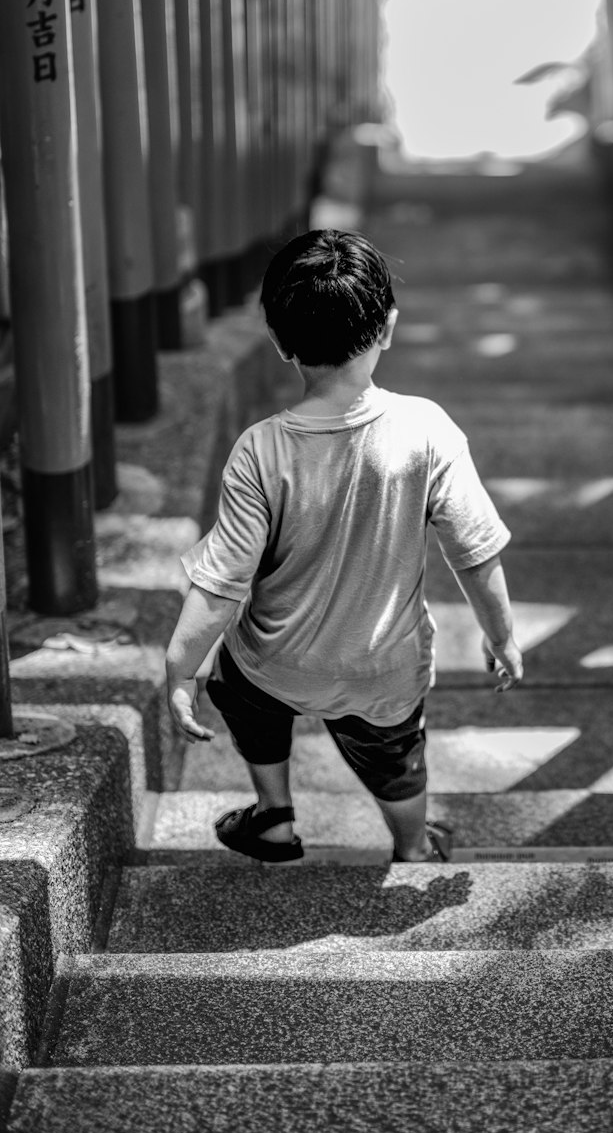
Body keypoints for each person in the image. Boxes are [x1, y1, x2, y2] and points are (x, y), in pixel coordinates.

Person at [164, 228, 523, 864]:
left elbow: (222, 582)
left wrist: (179, 670)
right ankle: (412, 846)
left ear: (278, 341)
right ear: (386, 327)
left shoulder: (261, 448)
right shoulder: (426, 429)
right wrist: (501, 638)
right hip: (380, 668)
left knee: (242, 694)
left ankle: (274, 818)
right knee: (397, 759)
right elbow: (475, 555)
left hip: (273, 662)